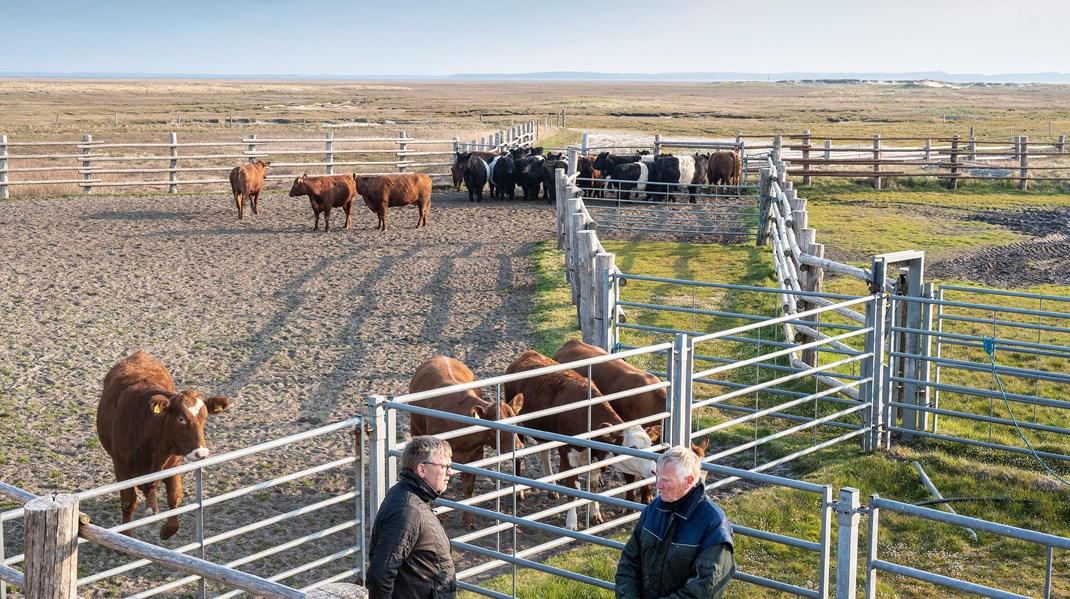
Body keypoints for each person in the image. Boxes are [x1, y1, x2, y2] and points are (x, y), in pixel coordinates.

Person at [615, 445, 734, 599]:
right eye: (658, 477)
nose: (658, 486)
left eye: (666, 480)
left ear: (688, 481)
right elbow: (629, 561)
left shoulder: (713, 524)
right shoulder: (654, 509)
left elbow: (704, 589)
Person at [366, 435, 457, 599]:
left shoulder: (412, 498)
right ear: (422, 469)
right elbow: (379, 575)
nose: (450, 472)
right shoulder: (407, 511)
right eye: (444, 467)